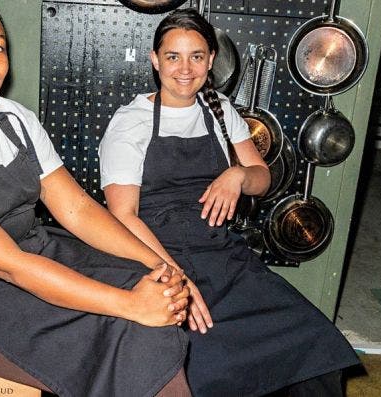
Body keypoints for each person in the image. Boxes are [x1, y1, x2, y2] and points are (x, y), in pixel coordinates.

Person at [0, 1, 194, 396]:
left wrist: (160, 264)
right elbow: (6, 265)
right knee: (129, 330)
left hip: (37, 251)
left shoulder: (14, 119)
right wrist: (130, 305)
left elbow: (78, 209)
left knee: (149, 284)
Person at [99, 8, 360, 397]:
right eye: (173, 57)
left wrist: (237, 175)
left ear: (210, 60)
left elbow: (262, 178)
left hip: (221, 253)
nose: (185, 69)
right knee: (206, 363)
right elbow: (123, 216)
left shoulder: (219, 110)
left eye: (197, 56)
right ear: (155, 60)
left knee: (311, 338)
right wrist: (175, 277)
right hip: (153, 254)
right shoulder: (130, 122)